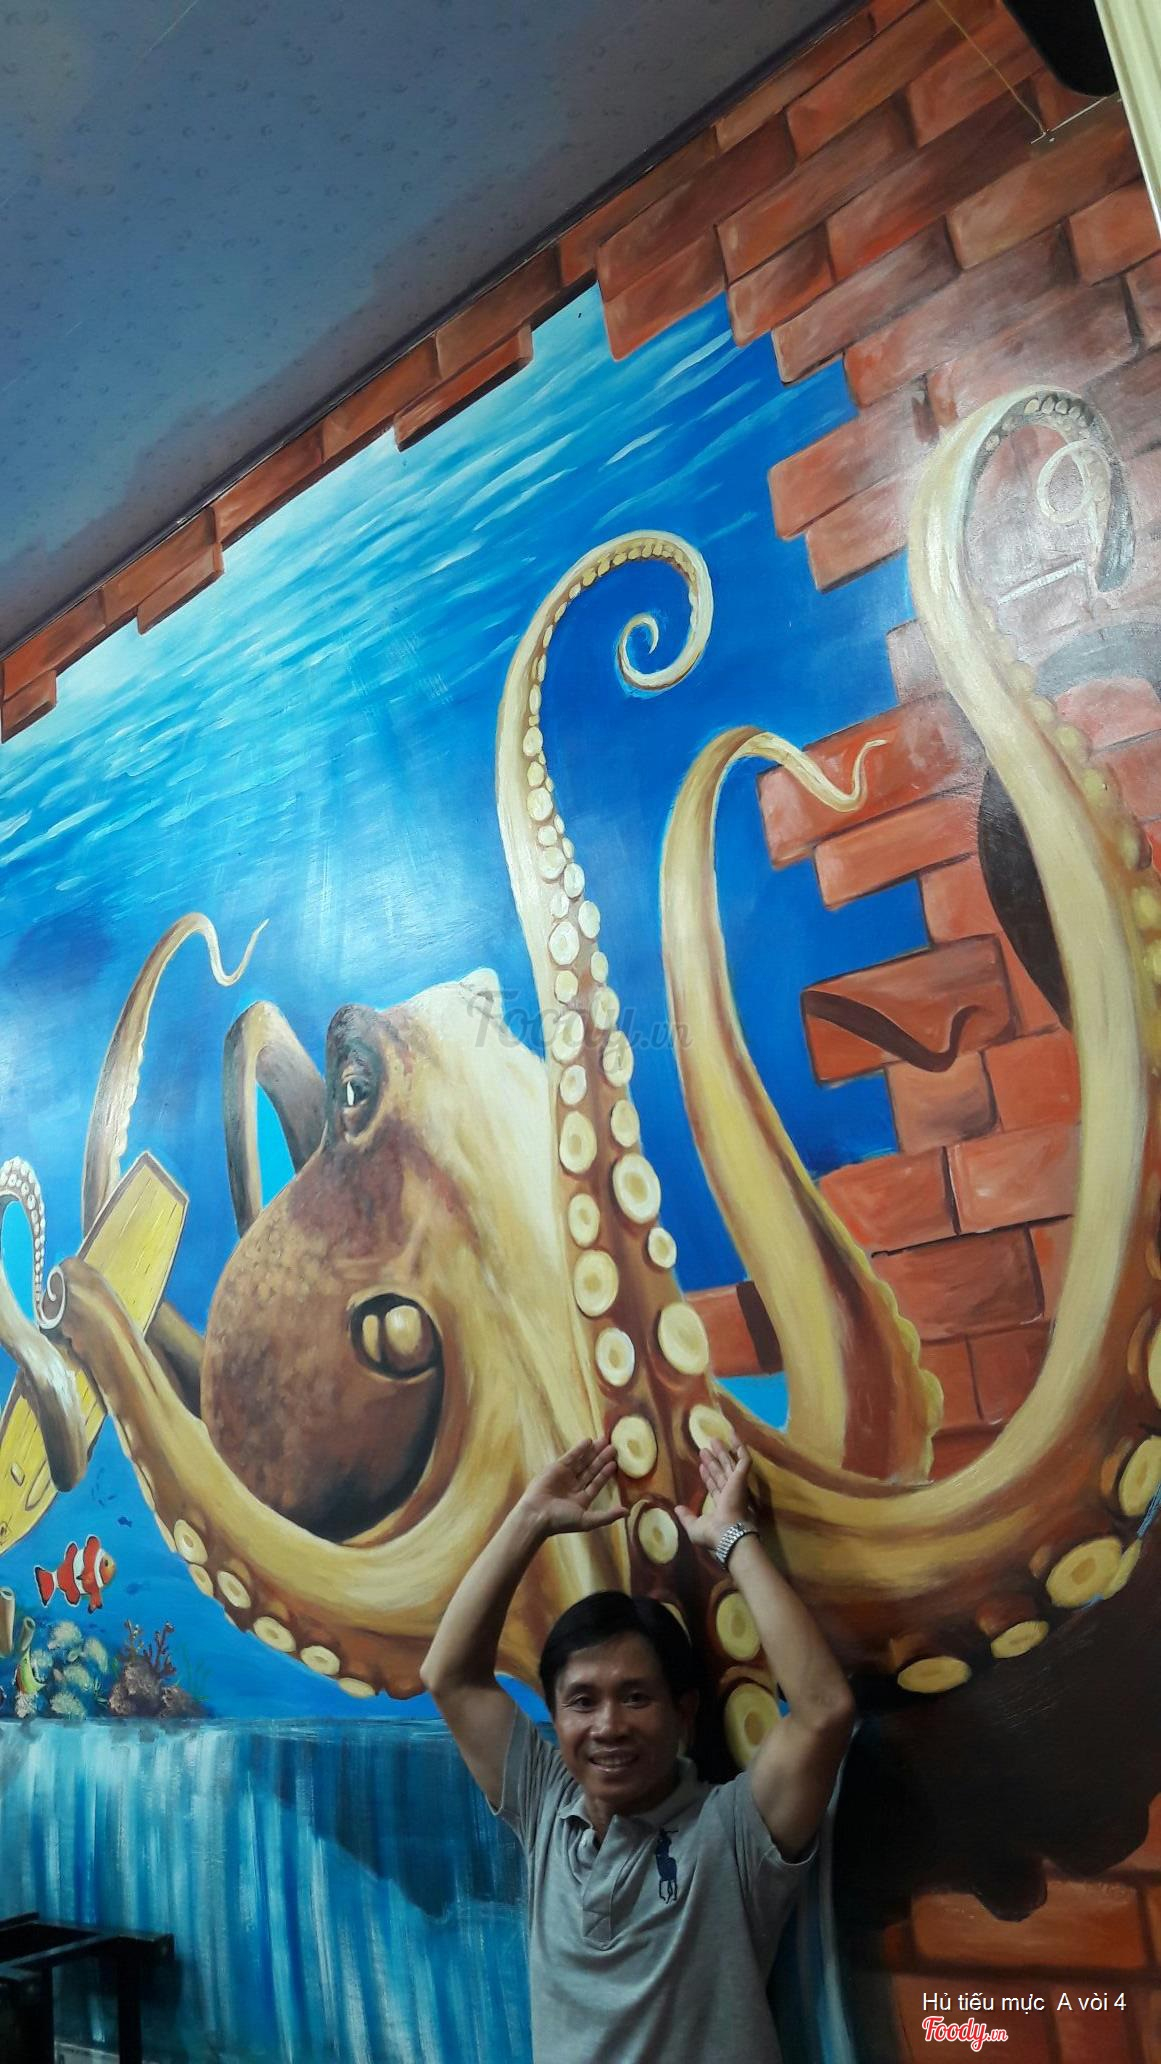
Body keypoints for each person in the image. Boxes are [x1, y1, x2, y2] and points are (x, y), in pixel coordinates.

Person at [421, 1433, 854, 2064]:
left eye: (635, 1697)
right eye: (582, 1701)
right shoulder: (546, 1811)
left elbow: (823, 1710)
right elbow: (449, 1675)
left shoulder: (732, 1833)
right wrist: (530, 1520)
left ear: (684, 1714)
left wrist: (732, 1538)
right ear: (555, 1718)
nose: (609, 1726)